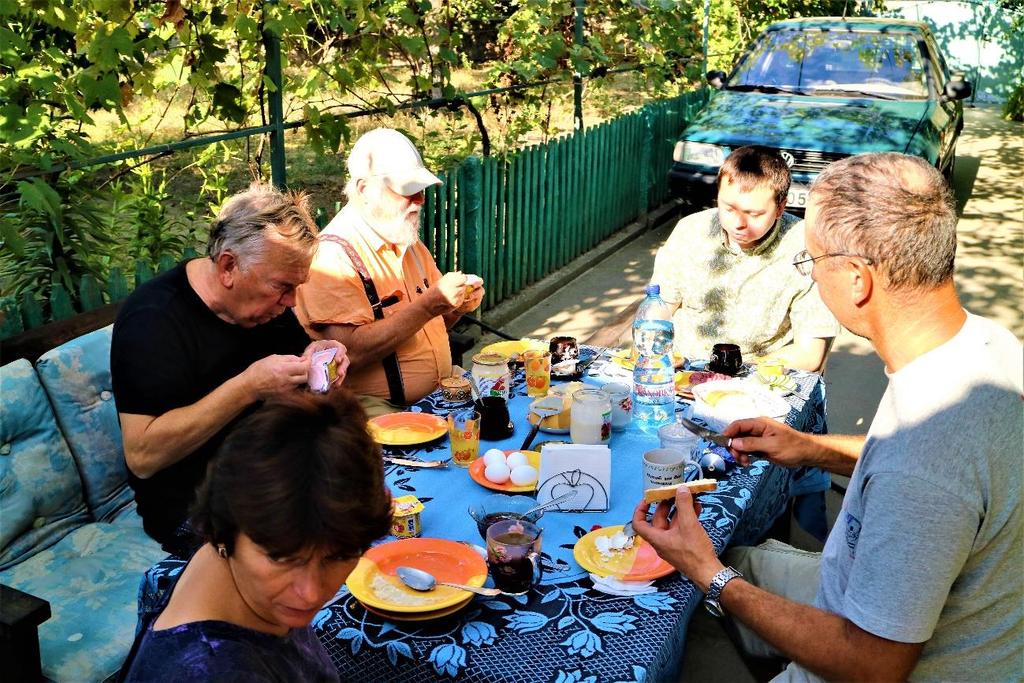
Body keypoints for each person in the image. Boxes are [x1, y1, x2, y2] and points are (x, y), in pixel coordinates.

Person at [634, 153, 1023, 681]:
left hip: (881, 658)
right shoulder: (984, 346)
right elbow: (933, 467)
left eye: (811, 263)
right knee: (736, 563)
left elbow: (871, 664)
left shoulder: (926, 456)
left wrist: (709, 573)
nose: (811, 280)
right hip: (861, 587)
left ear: (858, 279)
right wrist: (811, 448)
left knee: (675, 602)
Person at [111, 182, 348, 555]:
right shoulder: (153, 320)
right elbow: (142, 456)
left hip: (274, 477)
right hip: (199, 509)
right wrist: (248, 387)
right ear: (228, 266)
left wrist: (320, 359)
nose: (291, 302)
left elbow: (298, 368)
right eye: (282, 287)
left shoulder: (264, 304)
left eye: (296, 287)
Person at [119, 391, 392, 682]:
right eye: (281, 558)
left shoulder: (230, 559)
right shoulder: (214, 672)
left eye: (339, 556)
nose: (312, 593)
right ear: (224, 531)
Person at [294, 128, 484, 412]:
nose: (419, 200)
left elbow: (431, 324)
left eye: (420, 190)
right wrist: (429, 305)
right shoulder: (333, 255)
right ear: (364, 189)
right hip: (375, 408)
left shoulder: (403, 238)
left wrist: (454, 308)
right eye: (407, 191)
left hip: (435, 393)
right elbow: (350, 352)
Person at [651, 146, 839, 371]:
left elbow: (809, 354)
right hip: (683, 372)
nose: (739, 223)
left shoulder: (807, 249)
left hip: (760, 378)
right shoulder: (690, 231)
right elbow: (660, 309)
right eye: (729, 208)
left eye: (754, 214)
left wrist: (731, 371)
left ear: (780, 207)